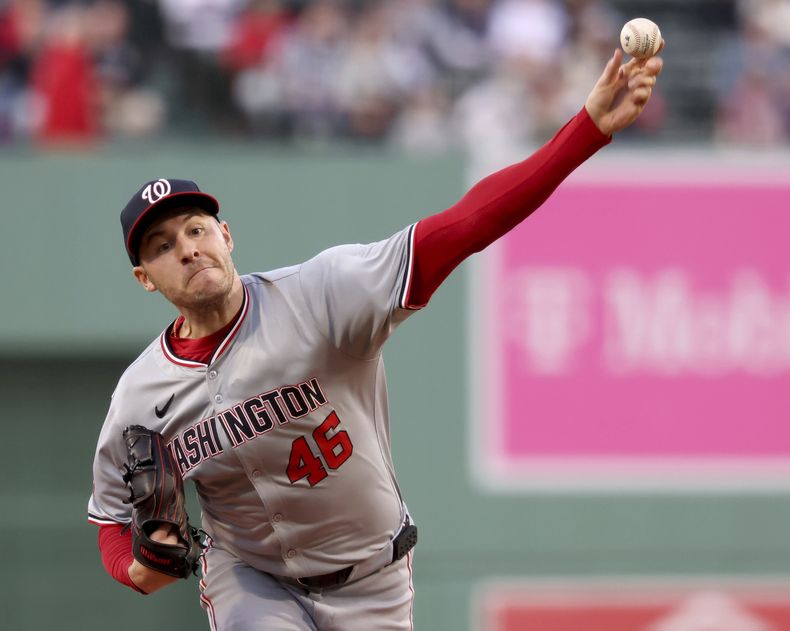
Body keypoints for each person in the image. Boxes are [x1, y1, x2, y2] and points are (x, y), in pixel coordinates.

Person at [88, 45, 664, 630]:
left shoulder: (322, 296)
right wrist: (135, 570)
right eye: (162, 246)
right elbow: (110, 518)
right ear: (144, 278)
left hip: (373, 577)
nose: (187, 248)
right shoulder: (142, 394)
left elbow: (466, 224)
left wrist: (585, 132)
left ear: (226, 234)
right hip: (249, 576)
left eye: (195, 228)